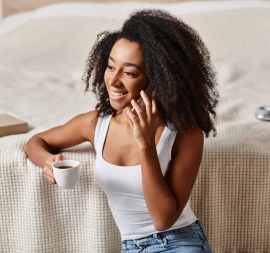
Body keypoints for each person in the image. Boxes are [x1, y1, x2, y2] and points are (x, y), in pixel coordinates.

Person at [25, 9, 218, 253]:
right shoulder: (96, 124)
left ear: (158, 79)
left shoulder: (185, 133)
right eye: (110, 67)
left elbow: (163, 220)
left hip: (179, 242)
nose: (113, 82)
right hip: (131, 247)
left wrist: (146, 145)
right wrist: (48, 162)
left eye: (129, 73)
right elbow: (36, 141)